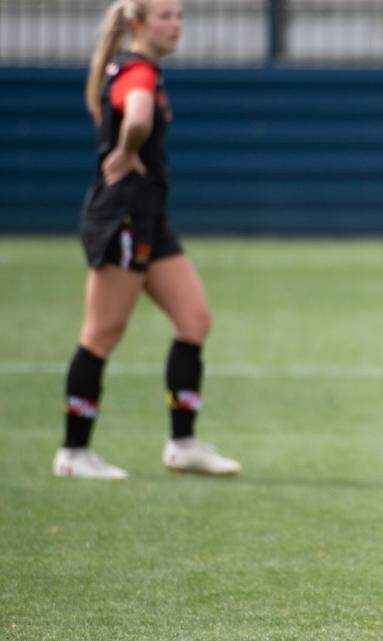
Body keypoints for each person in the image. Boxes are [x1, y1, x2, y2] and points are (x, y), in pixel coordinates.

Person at [52, 0, 240, 480]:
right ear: (138, 24)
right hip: (124, 218)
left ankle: (184, 444)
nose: (176, 25)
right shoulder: (137, 73)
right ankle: (73, 453)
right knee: (102, 333)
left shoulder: (137, 70)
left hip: (150, 217)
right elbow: (136, 118)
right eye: (164, 16)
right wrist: (128, 148)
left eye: (179, 16)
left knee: (194, 320)